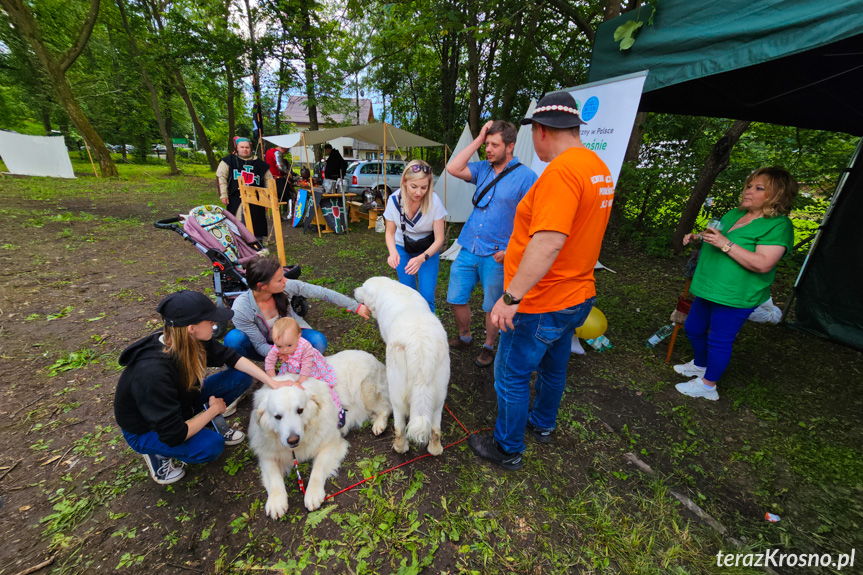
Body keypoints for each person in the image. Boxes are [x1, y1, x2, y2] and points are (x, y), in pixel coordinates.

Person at [468, 92, 614, 470]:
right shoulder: (596, 166)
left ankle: (508, 448)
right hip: (576, 293)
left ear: (543, 131)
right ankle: (543, 424)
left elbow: (549, 241)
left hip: (542, 298)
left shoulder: (562, 172)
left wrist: (511, 297)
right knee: (554, 365)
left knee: (511, 373)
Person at [113, 290, 288, 485]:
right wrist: (214, 410)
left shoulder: (189, 340)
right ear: (191, 328)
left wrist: (272, 382)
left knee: (242, 376)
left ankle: (201, 423)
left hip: (181, 403)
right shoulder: (153, 373)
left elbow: (231, 357)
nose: (215, 324)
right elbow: (174, 434)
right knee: (210, 446)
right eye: (210, 321)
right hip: (147, 428)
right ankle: (156, 453)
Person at [675, 167, 797, 401]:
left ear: (777, 195)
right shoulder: (734, 214)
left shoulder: (778, 226)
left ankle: (708, 386)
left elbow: (763, 264)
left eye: (759, 188)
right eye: (749, 186)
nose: (748, 191)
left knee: (719, 340)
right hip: (709, 286)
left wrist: (725, 244)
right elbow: (716, 236)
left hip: (735, 294)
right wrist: (698, 238)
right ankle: (701, 365)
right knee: (693, 328)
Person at [445, 120, 538, 368]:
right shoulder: (482, 169)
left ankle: (488, 346)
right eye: (487, 144)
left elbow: (533, 220)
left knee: (491, 306)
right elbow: (453, 167)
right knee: (456, 297)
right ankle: (465, 336)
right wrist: (479, 137)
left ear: (510, 146)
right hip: (468, 246)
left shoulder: (527, 177)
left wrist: (511, 251)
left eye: (494, 145)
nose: (488, 149)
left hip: (497, 254)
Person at [224, 255, 371, 360]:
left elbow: (322, 292)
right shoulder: (241, 308)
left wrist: (355, 306)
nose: (286, 281)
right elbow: (260, 345)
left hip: (290, 339)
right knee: (233, 339)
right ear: (262, 286)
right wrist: (282, 352)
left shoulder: (286, 287)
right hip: (263, 347)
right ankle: (240, 375)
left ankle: (298, 367)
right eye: (280, 279)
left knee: (318, 341)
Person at [383, 159, 448, 313]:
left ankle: (428, 334)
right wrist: (393, 252)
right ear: (405, 181)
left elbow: (439, 239)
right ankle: (411, 331)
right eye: (414, 187)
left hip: (428, 250)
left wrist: (422, 258)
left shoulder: (434, 201)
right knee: (408, 294)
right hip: (402, 247)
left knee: (426, 297)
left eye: (424, 187)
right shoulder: (394, 200)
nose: (419, 193)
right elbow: (389, 232)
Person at [265, 317, 345, 428]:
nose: (284, 350)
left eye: (289, 346)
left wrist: (301, 380)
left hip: (310, 368)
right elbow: (269, 361)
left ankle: (339, 409)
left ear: (298, 337)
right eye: (279, 346)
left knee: (326, 386)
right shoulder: (279, 346)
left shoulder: (305, 346)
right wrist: (274, 379)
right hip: (292, 367)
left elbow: (307, 365)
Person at [216, 137, 273, 240]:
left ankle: (256, 243)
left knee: (257, 221)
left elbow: (269, 180)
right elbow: (221, 177)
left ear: (250, 148)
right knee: (237, 221)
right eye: (242, 147)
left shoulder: (260, 164)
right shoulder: (229, 161)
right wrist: (223, 194)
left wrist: (269, 197)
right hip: (236, 197)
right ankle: (239, 243)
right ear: (237, 148)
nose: (244, 149)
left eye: (247, 147)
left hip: (257, 198)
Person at [265, 145, 293, 221]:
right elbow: (280, 166)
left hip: (270, 179)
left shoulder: (268, 151)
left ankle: (278, 216)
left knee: (276, 198)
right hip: (278, 180)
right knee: (290, 195)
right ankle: (290, 215)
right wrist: (288, 173)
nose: (286, 152)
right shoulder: (277, 153)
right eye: (286, 150)